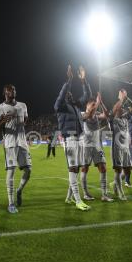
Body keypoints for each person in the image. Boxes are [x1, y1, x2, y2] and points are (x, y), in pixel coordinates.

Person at [54, 65, 91, 211]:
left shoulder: (75, 106)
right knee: (73, 168)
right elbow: (60, 96)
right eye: (67, 93)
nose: (69, 94)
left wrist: (83, 81)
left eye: (70, 93)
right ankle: (77, 200)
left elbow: (87, 96)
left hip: (80, 138)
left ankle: (69, 197)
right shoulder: (60, 106)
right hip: (69, 139)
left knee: (77, 169)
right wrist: (69, 81)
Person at [0, 84, 32, 214]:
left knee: (28, 171)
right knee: (11, 172)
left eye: (14, 89)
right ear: (5, 92)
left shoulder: (23, 105)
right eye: (10, 90)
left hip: (22, 142)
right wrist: (3, 121)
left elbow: (26, 119)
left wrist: (22, 123)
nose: (13, 91)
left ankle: (19, 190)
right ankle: (10, 203)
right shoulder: (0, 108)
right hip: (10, 143)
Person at [78, 66, 113, 202]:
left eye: (94, 104)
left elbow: (107, 115)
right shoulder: (83, 114)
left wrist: (101, 103)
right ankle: (86, 193)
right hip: (86, 146)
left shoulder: (97, 113)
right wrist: (96, 104)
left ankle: (104, 194)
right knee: (85, 169)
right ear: (87, 105)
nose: (93, 106)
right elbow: (89, 114)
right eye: (91, 104)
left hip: (98, 145)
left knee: (103, 168)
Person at [111, 89, 132, 200]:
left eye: (122, 108)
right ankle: (120, 191)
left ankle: (115, 184)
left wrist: (126, 98)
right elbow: (115, 109)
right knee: (118, 169)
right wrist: (121, 98)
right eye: (121, 108)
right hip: (117, 147)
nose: (122, 109)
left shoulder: (125, 119)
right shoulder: (114, 119)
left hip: (126, 146)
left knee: (128, 169)